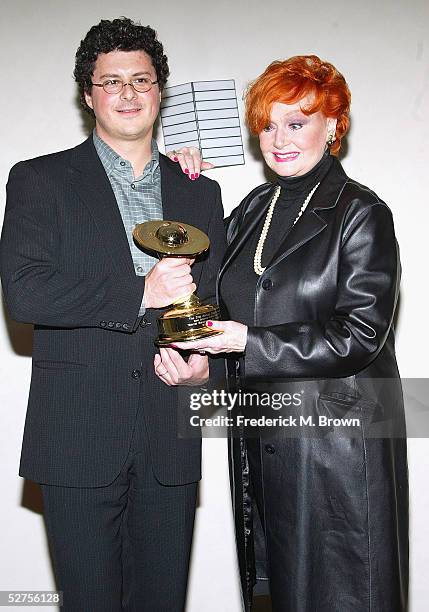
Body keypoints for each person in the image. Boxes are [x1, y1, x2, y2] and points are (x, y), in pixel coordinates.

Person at [159, 55, 408, 611]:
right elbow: (204, 288)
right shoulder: (252, 209)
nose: (279, 138)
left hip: (337, 453)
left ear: (333, 126)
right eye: (268, 125)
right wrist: (179, 185)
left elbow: (360, 335)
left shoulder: (362, 213)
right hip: (264, 449)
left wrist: (248, 342)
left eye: (296, 122)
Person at [0, 17, 226, 612]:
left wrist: (207, 373)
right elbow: (24, 293)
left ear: (160, 91)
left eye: (142, 80)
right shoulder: (38, 179)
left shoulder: (199, 189)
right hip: (77, 435)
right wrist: (137, 293)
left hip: (167, 434)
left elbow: (219, 302)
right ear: (88, 95)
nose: (128, 93)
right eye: (111, 81)